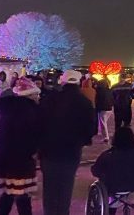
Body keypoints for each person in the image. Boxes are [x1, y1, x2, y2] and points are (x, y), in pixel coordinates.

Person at [38, 70, 96, 215]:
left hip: (49, 151)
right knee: (66, 186)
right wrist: (83, 139)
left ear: (62, 82)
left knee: (50, 187)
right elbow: (91, 128)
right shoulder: (84, 102)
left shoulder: (50, 99)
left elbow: (38, 122)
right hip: (71, 151)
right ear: (77, 82)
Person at [0, 78, 41, 215]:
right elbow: (32, 135)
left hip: (3, 156)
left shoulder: (7, 108)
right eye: (36, 94)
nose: (38, 97)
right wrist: (35, 150)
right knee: (22, 194)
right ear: (28, 95)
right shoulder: (30, 111)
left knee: (8, 193)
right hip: (20, 159)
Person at [91, 127, 134, 215]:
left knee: (104, 184)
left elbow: (95, 170)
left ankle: (110, 210)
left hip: (113, 186)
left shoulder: (107, 156)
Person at [95, 78, 114, 143]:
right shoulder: (109, 90)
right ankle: (103, 134)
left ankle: (106, 136)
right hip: (109, 108)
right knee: (103, 122)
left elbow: (98, 100)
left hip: (103, 108)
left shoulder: (99, 91)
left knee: (103, 123)